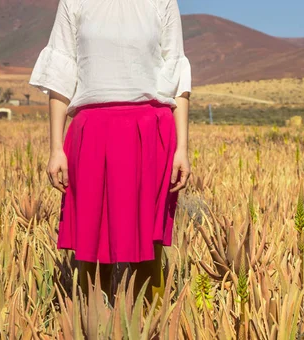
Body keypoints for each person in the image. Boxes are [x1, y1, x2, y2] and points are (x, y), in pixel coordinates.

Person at [28, 0, 191, 306]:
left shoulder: (162, 2)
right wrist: (55, 148)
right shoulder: (74, 3)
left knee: (148, 243)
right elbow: (61, 75)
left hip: (151, 129)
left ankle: (149, 322)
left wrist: (182, 148)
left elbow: (177, 72)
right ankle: (94, 320)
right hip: (92, 130)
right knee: (91, 241)